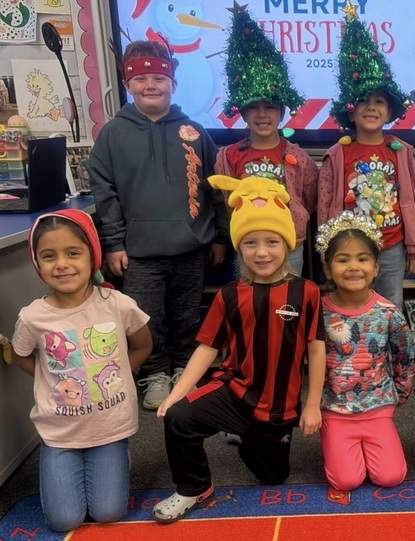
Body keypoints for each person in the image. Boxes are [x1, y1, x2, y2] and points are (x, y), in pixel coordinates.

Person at [152, 175, 325, 523]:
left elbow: (316, 350)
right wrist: (176, 394)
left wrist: (311, 406)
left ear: (288, 244)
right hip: (234, 391)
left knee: (274, 477)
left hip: (278, 408)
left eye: (272, 242)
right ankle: (193, 487)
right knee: (178, 418)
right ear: (239, 247)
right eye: (250, 243)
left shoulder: (307, 292)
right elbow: (206, 349)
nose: (262, 252)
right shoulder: (228, 295)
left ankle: (244, 435)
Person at [88, 39, 230, 411]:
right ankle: (154, 373)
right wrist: (114, 243)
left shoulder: (195, 132)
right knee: (145, 318)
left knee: (186, 315)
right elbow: (105, 194)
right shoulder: (112, 134)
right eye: (141, 79)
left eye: (158, 78)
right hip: (138, 251)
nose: (150, 85)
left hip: (191, 245)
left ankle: (186, 369)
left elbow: (215, 187)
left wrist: (218, 236)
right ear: (128, 84)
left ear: (172, 84)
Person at [10, 210, 152, 532]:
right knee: (64, 521)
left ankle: (115, 460)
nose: (61, 264)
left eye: (73, 253)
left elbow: (143, 346)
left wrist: (120, 378)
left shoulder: (118, 304)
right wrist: (51, 381)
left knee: (108, 513)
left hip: (109, 427)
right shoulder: (33, 317)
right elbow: (20, 356)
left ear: (93, 256)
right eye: (49, 256)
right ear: (37, 263)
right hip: (60, 434)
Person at [318, 8, 415, 309]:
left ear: (390, 111)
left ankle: (389, 356)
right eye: (363, 101)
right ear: (350, 109)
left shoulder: (401, 151)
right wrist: (327, 252)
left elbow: (414, 199)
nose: (371, 107)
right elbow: (326, 206)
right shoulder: (337, 153)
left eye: (379, 101)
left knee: (390, 305)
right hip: (349, 246)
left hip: (392, 245)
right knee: (349, 304)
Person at [315, 211, 415, 491]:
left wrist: (400, 392)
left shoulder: (388, 313)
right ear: (327, 269)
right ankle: (336, 441)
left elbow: (405, 354)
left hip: (378, 407)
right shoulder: (317, 311)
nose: (353, 267)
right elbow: (287, 321)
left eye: (362, 259)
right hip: (335, 408)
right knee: (346, 481)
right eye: (342, 259)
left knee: (390, 477)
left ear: (375, 267)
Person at [214, 4, 317, 275]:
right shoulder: (228, 156)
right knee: (250, 305)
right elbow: (226, 201)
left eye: (270, 107)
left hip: (290, 244)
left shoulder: (299, 157)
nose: (262, 114)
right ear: (243, 112)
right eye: (253, 107)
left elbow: (309, 198)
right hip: (247, 247)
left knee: (288, 306)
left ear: (281, 112)